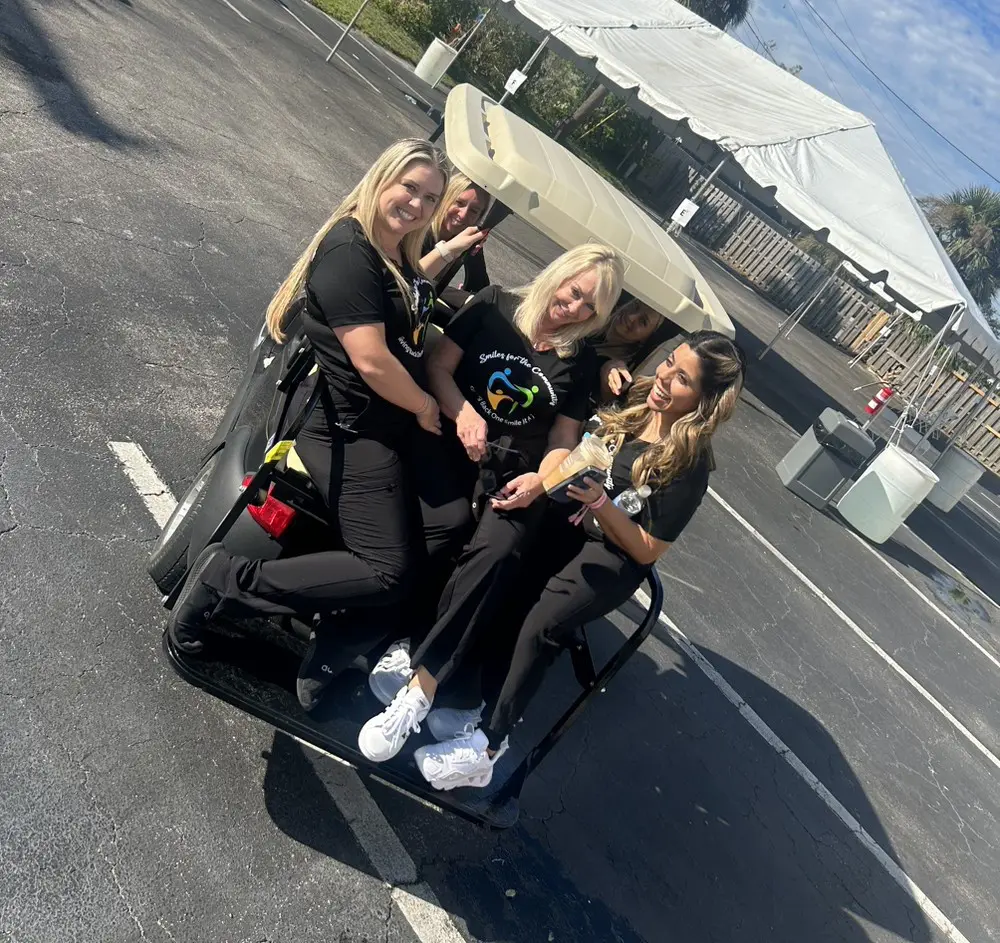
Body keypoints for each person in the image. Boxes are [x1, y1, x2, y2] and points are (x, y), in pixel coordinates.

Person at [383, 332, 746, 788]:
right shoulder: (638, 407)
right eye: (669, 363)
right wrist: (545, 479)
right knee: (506, 565)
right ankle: (442, 679)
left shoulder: (688, 463)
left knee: (543, 620)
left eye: (683, 380)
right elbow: (580, 450)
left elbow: (648, 549)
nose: (665, 379)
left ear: (705, 400)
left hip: (614, 555)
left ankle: (488, 748)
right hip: (576, 522)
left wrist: (601, 505)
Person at [166, 139, 450, 688]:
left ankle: (338, 634)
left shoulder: (396, 255)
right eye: (409, 188)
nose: (417, 205)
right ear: (381, 180)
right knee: (388, 570)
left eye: (430, 198)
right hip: (349, 430)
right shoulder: (351, 251)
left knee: (453, 519)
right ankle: (228, 580)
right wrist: (425, 405)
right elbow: (369, 358)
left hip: (389, 429)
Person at [357, 244, 626, 762]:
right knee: (448, 527)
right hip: (446, 441)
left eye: (590, 308)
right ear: (558, 275)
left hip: (513, 472)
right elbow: (439, 365)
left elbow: (562, 441)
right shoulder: (496, 303)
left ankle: (418, 684)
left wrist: (540, 483)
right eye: (573, 294)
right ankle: (405, 643)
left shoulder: (579, 360)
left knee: (501, 551)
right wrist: (462, 412)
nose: (573, 310)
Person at [418, 171, 492, 324]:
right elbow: (412, 278)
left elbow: (479, 289)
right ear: (445, 199)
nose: (464, 214)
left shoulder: (464, 238)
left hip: (423, 300)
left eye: (474, 211)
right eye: (459, 203)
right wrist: (462, 297)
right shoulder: (420, 230)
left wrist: (473, 253)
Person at [592, 292, 682, 401]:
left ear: (646, 338)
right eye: (635, 307)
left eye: (643, 322)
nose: (631, 317)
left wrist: (606, 384)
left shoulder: (623, 369)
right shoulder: (591, 315)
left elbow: (605, 403)